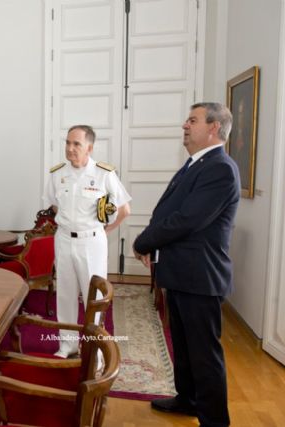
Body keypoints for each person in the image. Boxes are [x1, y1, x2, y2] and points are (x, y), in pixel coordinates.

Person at [133, 102, 239, 427]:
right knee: (182, 344)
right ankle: (188, 399)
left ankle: (214, 420)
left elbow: (187, 219)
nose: (184, 125)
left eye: (192, 120)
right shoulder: (197, 164)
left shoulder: (219, 167)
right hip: (182, 274)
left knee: (204, 354)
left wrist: (144, 241)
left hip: (200, 276)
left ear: (213, 128)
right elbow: (170, 212)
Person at [44, 124, 131, 358]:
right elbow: (54, 204)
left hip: (91, 243)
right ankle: (67, 346)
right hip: (63, 240)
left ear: (89, 148)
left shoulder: (104, 174)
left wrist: (104, 230)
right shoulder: (57, 173)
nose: (70, 148)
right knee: (65, 295)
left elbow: (124, 209)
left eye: (76, 144)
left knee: (94, 300)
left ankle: (95, 354)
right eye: (68, 143)